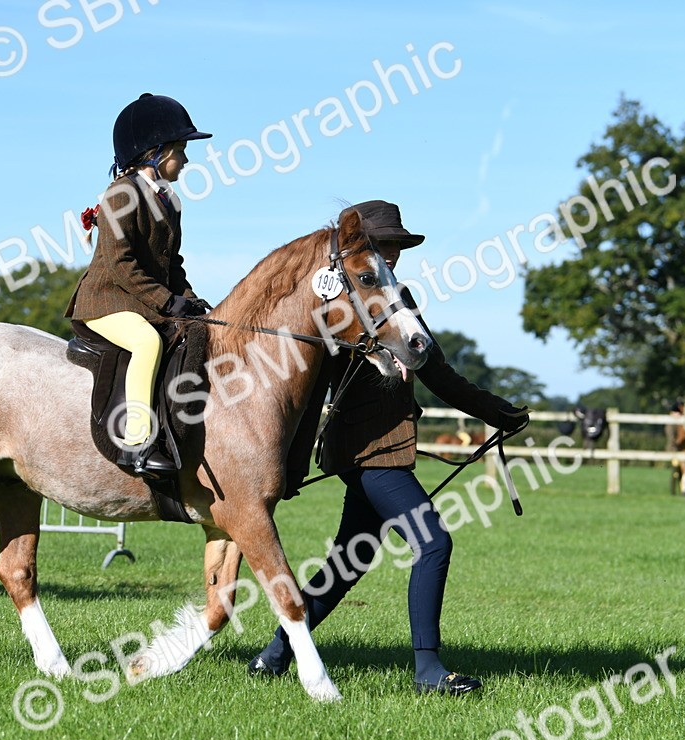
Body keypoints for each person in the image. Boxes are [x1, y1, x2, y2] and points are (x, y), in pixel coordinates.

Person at [248, 201, 529, 696]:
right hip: (366, 451)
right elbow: (316, 372)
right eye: (385, 244)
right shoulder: (339, 302)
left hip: (389, 449)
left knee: (348, 561)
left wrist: (497, 412)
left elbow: (436, 371)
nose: (393, 254)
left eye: (397, 245)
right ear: (362, 249)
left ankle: (273, 655)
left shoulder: (401, 299)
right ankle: (427, 671)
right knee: (434, 542)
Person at [64, 93, 212, 478]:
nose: (186, 160)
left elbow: (172, 263)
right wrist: (166, 301)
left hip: (139, 299)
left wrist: (191, 301)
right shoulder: (121, 195)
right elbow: (121, 264)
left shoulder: (170, 201)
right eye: (180, 150)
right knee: (148, 342)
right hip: (106, 302)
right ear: (155, 153)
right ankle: (137, 444)